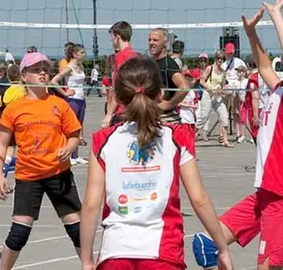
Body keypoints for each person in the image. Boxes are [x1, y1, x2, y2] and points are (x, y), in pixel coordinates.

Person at [191, 0, 283, 270]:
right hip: (267, 191)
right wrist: (251, 33)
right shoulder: (281, 88)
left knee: (266, 267)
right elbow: (265, 64)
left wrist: (277, 15)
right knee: (208, 244)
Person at [79, 57, 233, 270]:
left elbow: (90, 205)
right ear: (160, 94)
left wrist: (86, 261)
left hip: (114, 251)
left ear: (119, 97)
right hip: (163, 251)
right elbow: (199, 199)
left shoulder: (103, 140)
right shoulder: (176, 137)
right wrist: (222, 247)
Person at [0, 52, 83, 269]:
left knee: (79, 230)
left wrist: (69, 148)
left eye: (45, 69)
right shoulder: (15, 108)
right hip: (28, 177)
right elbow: (2, 143)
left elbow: (74, 136)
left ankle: (88, 265)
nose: (42, 73)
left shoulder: (59, 104)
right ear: (24, 75)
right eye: (36, 69)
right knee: (19, 234)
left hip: (58, 174)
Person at [51, 43, 89, 165]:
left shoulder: (80, 66)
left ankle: (75, 154)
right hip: (73, 100)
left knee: (79, 127)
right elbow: (54, 81)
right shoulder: (69, 67)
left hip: (81, 99)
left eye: (84, 52)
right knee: (70, 127)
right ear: (75, 54)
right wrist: (65, 93)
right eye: (81, 53)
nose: (83, 55)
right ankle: (69, 154)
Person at [102, 21, 139, 127]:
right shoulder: (135, 55)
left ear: (117, 37)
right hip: (133, 107)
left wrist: (109, 114)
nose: (111, 40)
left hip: (121, 110)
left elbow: (117, 88)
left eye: (112, 37)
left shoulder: (121, 56)